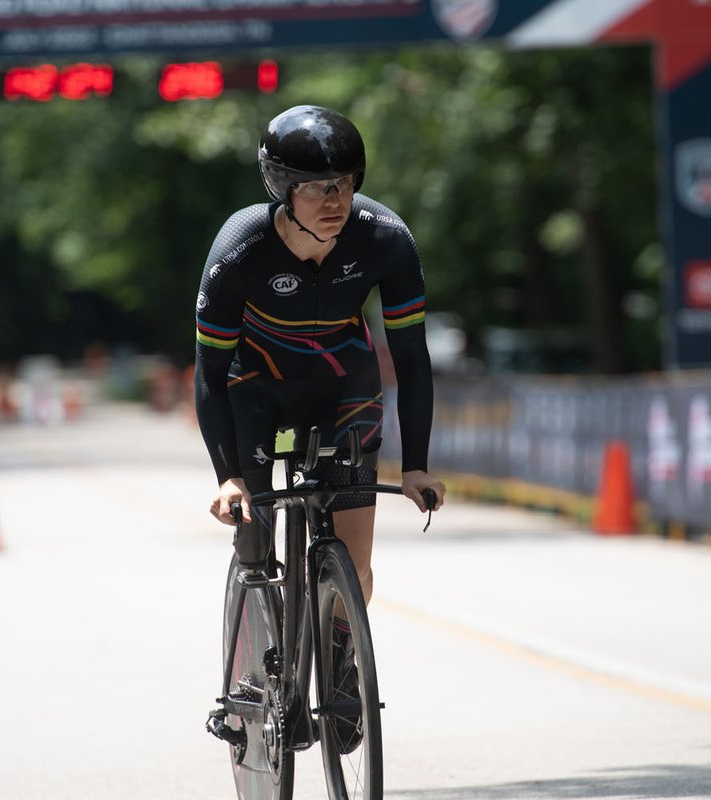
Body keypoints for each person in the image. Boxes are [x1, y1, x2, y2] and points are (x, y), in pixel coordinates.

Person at [194, 105, 446, 694]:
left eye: (345, 184)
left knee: (355, 562)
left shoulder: (387, 237)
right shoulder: (239, 248)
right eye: (315, 189)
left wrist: (415, 466)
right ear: (282, 190)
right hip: (253, 388)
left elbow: (412, 359)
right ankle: (258, 675)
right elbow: (207, 372)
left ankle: (338, 658)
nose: (335, 201)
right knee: (254, 531)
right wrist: (227, 476)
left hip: (342, 387)